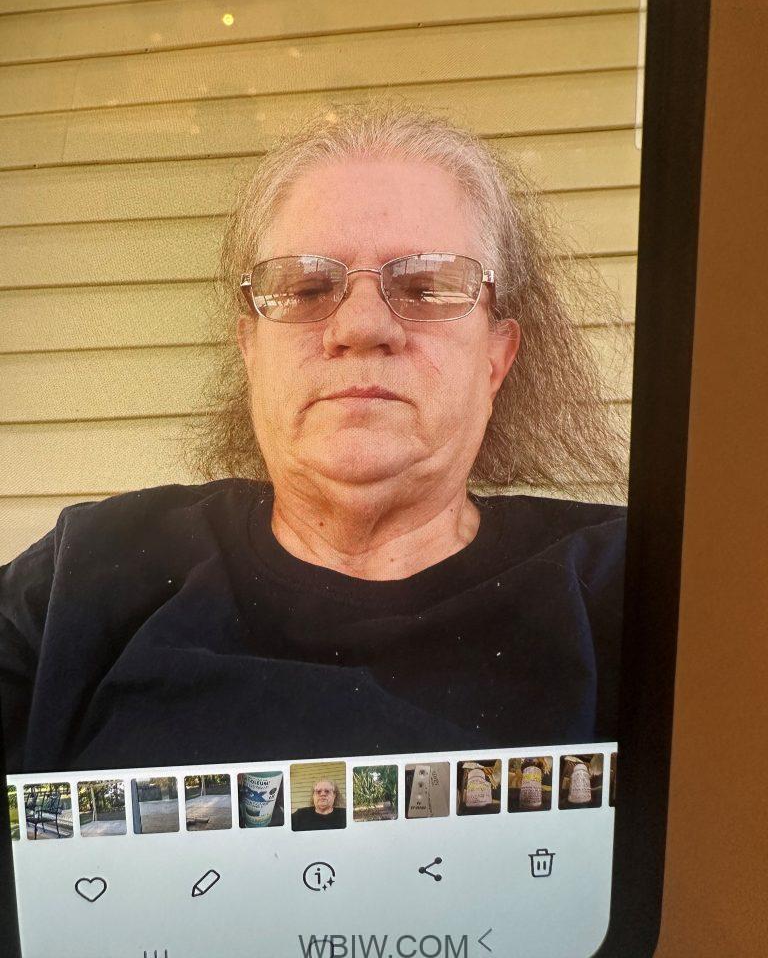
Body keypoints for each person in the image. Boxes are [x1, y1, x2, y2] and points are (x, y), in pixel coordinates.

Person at [0, 104, 627, 775]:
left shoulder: (627, 586)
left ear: (496, 359)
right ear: (251, 350)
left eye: (424, 287)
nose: (361, 327)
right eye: (304, 288)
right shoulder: (86, 573)